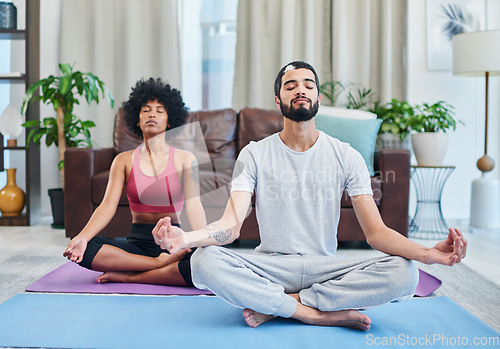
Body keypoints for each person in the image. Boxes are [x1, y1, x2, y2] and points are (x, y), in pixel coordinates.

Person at [152, 61, 467, 330]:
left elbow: (377, 234)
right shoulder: (254, 154)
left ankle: (285, 305)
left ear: (318, 96)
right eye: (290, 86)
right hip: (270, 267)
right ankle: (317, 315)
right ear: (278, 100)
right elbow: (231, 226)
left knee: (406, 273)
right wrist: (186, 239)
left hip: (323, 267)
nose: (299, 89)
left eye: (307, 84)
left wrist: (426, 253)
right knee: (204, 261)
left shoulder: (347, 155)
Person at [63, 78, 206, 287]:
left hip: (172, 241)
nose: (152, 114)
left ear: (169, 120)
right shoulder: (123, 160)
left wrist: (202, 243)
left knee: (203, 265)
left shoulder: (186, 159)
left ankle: (131, 275)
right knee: (85, 250)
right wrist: (82, 237)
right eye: (146, 110)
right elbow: (107, 206)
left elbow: (194, 206)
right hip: (137, 244)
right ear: (137, 120)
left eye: (160, 110)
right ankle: (157, 265)